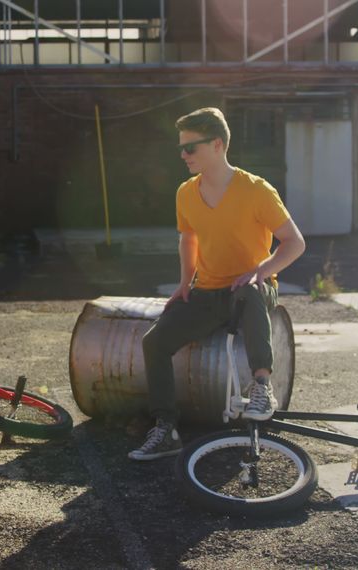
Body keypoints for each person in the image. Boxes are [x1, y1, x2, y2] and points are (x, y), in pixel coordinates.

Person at [128, 107, 306, 461]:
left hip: (253, 291)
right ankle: (166, 429)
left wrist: (262, 268)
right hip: (208, 292)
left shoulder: (256, 190)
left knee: (249, 290)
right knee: (155, 343)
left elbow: (294, 242)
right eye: (181, 148)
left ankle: (261, 385)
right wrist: (184, 283)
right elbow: (188, 238)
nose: (183, 155)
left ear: (218, 145)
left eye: (191, 148)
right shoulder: (185, 193)